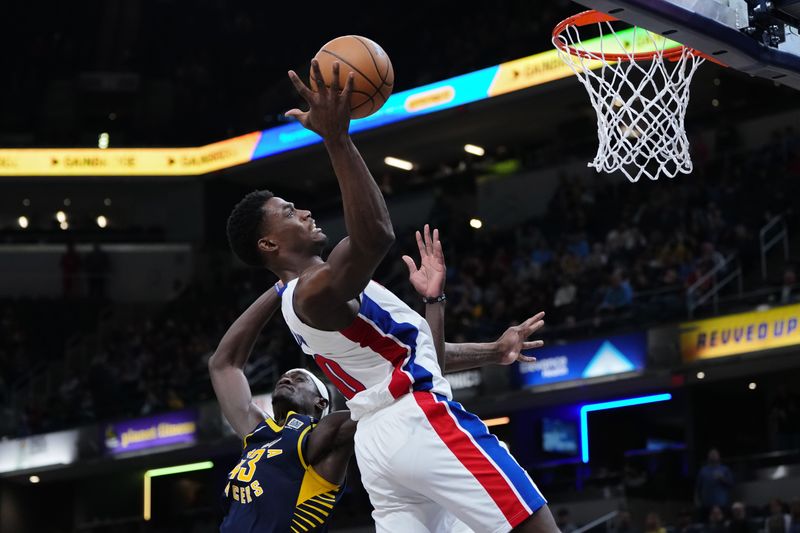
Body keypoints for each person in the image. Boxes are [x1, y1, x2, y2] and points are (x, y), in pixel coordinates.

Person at [225, 59, 557, 532]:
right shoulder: (312, 291)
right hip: (419, 420)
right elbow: (376, 235)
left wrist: (493, 350)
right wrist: (336, 138)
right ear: (268, 245)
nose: (302, 210)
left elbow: (420, 356)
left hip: (380, 448)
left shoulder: (307, 296)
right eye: (287, 211)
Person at [212, 224, 547, 532]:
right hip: (396, 442)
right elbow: (222, 365)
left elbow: (411, 373)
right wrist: (279, 285)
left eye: (301, 378)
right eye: (289, 375)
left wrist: (283, 282)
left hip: (402, 427)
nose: (287, 378)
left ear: (321, 402)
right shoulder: (259, 435)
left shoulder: (328, 433)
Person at [695, 448, 733, 513]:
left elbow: (731, 484)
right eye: (711, 454)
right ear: (708, 456)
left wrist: (722, 478)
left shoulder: (724, 469)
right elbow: (698, 488)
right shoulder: (703, 470)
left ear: (719, 456)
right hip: (706, 505)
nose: (713, 456)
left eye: (715, 454)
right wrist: (697, 501)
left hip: (721, 504)